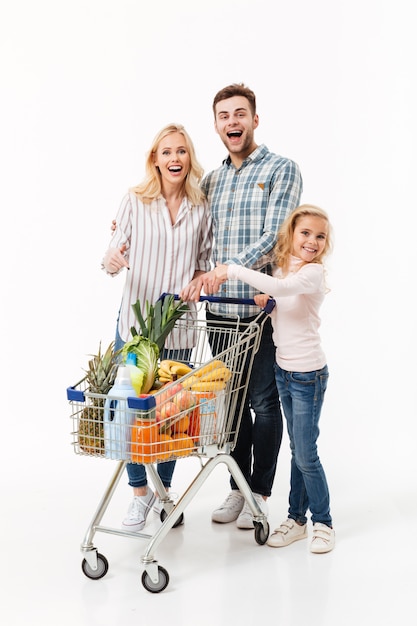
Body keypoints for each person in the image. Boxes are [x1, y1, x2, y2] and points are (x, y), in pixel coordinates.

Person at [181, 83, 303, 529]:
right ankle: (238, 487)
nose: (232, 122)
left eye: (239, 114)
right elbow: (189, 230)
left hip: (262, 310)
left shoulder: (281, 169)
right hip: (219, 312)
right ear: (216, 125)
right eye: (223, 116)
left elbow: (276, 235)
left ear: (255, 119)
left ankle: (260, 494)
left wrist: (228, 270)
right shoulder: (210, 181)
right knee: (230, 405)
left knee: (264, 403)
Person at [102, 123, 212, 532]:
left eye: (181, 151)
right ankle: (140, 495)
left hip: (179, 327)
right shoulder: (134, 200)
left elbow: (202, 263)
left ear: (189, 158)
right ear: (155, 159)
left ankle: (163, 494)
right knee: (131, 413)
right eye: (167, 152)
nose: (174, 159)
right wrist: (112, 261)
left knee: (171, 418)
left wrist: (199, 285)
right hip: (135, 327)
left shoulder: (201, 206)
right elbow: (113, 250)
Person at [212, 204, 335, 553]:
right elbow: (281, 293)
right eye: (305, 233)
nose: (312, 241)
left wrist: (233, 269)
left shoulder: (312, 273)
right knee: (298, 451)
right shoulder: (286, 267)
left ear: (326, 243)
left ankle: (323, 523)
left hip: (308, 375)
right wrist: (272, 300)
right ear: (292, 235)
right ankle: (296, 520)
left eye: (320, 236)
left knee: (307, 454)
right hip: (283, 370)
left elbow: (283, 287)